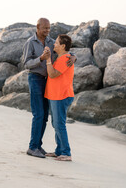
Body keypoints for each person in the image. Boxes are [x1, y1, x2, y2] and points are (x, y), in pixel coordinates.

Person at [23, 18, 76, 158]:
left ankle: (38, 146)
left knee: (45, 116)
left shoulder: (52, 42)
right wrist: (41, 58)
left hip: (49, 82)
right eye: (44, 28)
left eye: (49, 28)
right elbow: (26, 63)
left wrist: (74, 56)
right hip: (35, 78)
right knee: (39, 114)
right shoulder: (30, 42)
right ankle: (32, 147)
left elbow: (65, 51)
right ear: (38, 27)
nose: (47, 31)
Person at [44, 34, 74, 161]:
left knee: (59, 124)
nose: (54, 44)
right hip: (55, 95)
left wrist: (48, 60)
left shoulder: (65, 58)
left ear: (63, 46)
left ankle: (66, 153)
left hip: (61, 96)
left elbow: (52, 74)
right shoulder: (62, 57)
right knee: (55, 123)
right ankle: (59, 150)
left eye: (56, 43)